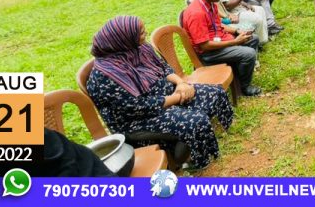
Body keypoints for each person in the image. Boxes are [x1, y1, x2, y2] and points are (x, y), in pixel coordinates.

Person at [86, 16, 235, 169]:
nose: (146, 34)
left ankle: (196, 142)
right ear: (124, 38)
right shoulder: (106, 75)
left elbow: (164, 68)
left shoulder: (140, 48)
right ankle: (187, 159)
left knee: (214, 93)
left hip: (169, 94)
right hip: (139, 120)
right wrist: (177, 97)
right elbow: (138, 107)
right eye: (142, 33)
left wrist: (181, 83)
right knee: (195, 121)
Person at [183, 0, 261, 96]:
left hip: (219, 42)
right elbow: (205, 46)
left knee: (253, 38)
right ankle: (244, 87)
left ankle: (239, 73)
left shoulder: (211, 4)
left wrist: (237, 32)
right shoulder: (196, 13)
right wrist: (235, 42)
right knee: (249, 54)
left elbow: (219, 25)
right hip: (208, 54)